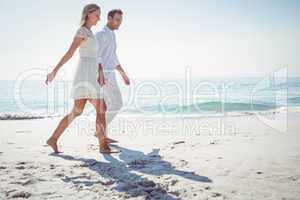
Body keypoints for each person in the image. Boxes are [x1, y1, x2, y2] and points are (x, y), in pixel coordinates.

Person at [45, 4, 118, 154]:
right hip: (85, 74)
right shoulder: (82, 31)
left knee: (77, 111)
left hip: (92, 74)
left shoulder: (90, 33)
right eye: (97, 15)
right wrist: (54, 71)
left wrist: (101, 73)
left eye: (99, 15)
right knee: (101, 108)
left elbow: (97, 57)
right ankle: (103, 145)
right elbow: (70, 52)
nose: (99, 18)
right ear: (88, 14)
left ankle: (53, 138)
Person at [94, 9, 130, 142]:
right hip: (105, 74)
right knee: (117, 103)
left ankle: (102, 134)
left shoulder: (113, 36)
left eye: (120, 20)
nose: (119, 23)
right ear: (109, 18)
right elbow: (95, 55)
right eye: (117, 20)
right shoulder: (101, 34)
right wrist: (100, 73)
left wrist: (123, 74)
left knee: (110, 105)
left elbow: (113, 58)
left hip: (110, 73)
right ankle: (99, 132)